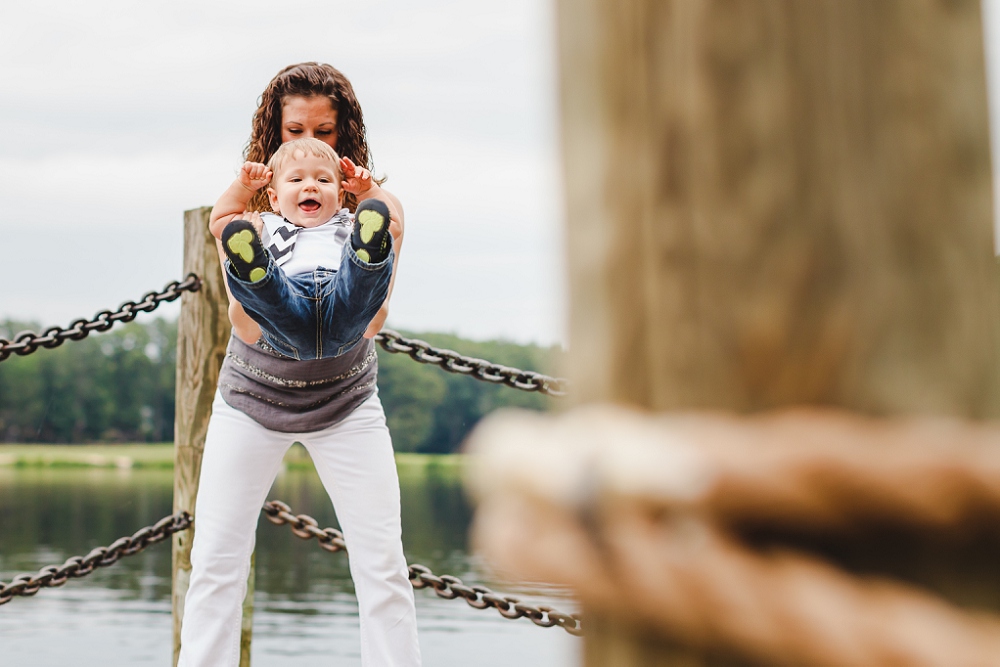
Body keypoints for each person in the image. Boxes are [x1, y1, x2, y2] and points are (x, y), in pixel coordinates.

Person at [178, 63, 421, 667]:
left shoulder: (366, 221)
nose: (309, 141)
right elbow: (246, 322)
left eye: (325, 132)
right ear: (273, 137)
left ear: (345, 142)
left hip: (346, 404)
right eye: (293, 131)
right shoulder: (253, 226)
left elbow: (374, 318)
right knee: (215, 563)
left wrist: (374, 209)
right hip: (251, 402)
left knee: (383, 565)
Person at [209, 137, 397, 360]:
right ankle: (257, 274)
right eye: (297, 179)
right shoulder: (268, 224)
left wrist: (368, 191)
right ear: (275, 199)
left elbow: (392, 225)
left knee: (357, 286)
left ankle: (364, 259)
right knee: (273, 300)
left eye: (323, 180)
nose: (310, 185)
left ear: (339, 199)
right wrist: (244, 186)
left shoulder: (347, 222)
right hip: (289, 303)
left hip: (339, 302)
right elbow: (220, 223)